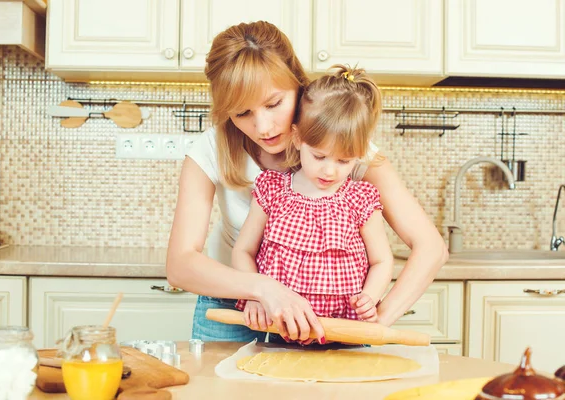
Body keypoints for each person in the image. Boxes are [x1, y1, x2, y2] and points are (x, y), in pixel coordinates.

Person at [166, 21, 448, 344]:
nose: (263, 126)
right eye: (242, 113)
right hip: (235, 307)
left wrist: (376, 322)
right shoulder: (210, 148)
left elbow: (431, 248)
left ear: (298, 84)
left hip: (326, 318)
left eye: (274, 104)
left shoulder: (339, 149)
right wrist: (261, 288)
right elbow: (180, 264)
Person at [232, 66, 394, 343]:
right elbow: (243, 251)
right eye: (319, 156)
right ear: (297, 138)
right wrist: (254, 294)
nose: (330, 172)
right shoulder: (272, 190)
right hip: (276, 331)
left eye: (344, 161)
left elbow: (382, 260)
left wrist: (371, 296)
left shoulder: (360, 198)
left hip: (343, 335)